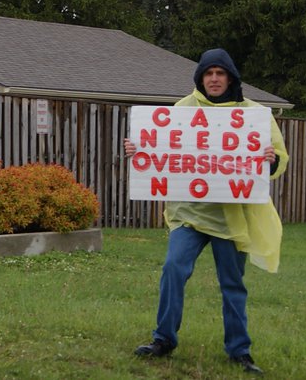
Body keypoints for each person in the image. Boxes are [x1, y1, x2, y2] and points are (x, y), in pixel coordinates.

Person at [125, 48, 289, 375]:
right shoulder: (182, 110)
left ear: (230, 77)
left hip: (231, 218)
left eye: (220, 73)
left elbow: (279, 159)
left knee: (232, 284)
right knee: (173, 269)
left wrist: (271, 159)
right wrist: (137, 148)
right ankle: (164, 339)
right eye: (208, 73)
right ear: (200, 77)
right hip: (189, 214)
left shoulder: (253, 114)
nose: (214, 79)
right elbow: (161, 146)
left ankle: (239, 351)